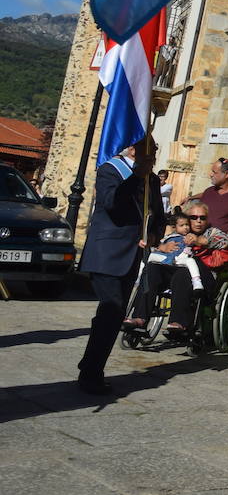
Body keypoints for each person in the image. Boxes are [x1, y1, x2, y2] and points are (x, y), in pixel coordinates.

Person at [76, 137, 163, 394]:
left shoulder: (153, 180)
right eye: (150, 148)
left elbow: (157, 214)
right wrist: (136, 177)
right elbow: (111, 203)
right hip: (107, 253)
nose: (154, 153)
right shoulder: (110, 170)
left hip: (132, 255)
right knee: (111, 311)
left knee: (113, 317)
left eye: (156, 149)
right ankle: (90, 373)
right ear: (133, 149)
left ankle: (92, 366)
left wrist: (156, 234)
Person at [127, 198, 228, 340]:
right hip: (172, 271)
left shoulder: (212, 232)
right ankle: (139, 318)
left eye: (202, 218)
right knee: (152, 268)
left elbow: (225, 242)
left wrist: (200, 241)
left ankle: (178, 322)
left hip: (202, 278)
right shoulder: (177, 234)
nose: (198, 221)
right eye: (193, 217)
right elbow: (160, 244)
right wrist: (162, 247)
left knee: (183, 273)